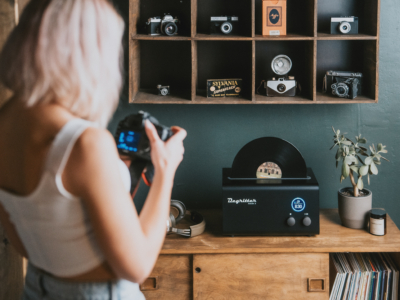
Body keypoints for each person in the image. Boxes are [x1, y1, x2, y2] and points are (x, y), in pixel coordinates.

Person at [0, 0, 186, 299]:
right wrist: (165, 171)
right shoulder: (87, 142)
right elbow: (137, 267)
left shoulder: (6, 120)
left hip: (37, 287)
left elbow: (25, 241)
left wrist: (109, 172)